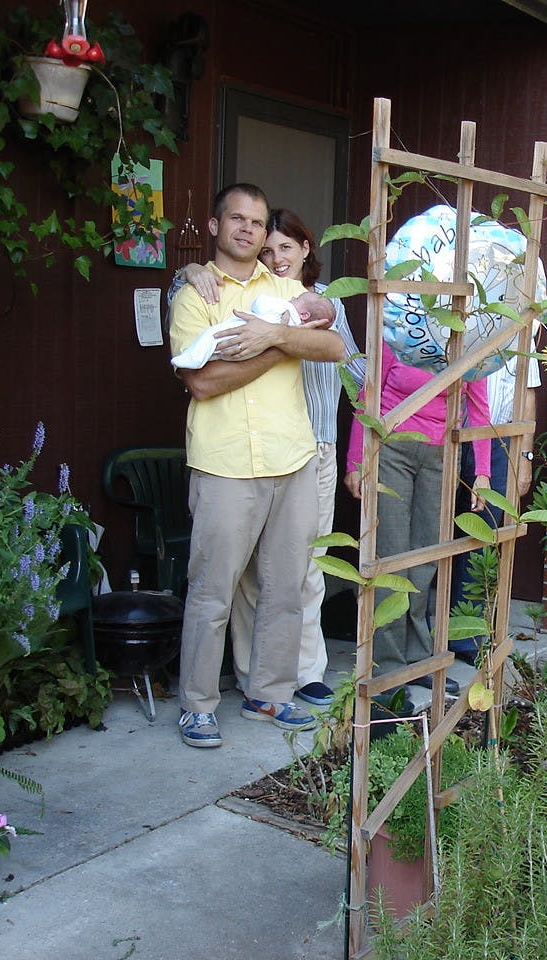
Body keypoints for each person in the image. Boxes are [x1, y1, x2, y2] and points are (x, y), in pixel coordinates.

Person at [168, 182, 345, 749]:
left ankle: (271, 693)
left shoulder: (286, 289)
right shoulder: (195, 295)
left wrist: (275, 332)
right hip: (222, 465)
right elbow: (202, 381)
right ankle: (197, 705)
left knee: (285, 587)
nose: (248, 229)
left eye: (258, 222)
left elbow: (336, 348)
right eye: (237, 219)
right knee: (212, 591)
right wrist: (277, 347)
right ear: (215, 226)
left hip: (290, 458)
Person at [344, 345, 491, 697]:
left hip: (442, 454)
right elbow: (369, 395)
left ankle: (417, 658)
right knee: (392, 557)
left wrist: (482, 472)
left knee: (426, 557)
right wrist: (356, 460)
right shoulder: (397, 333)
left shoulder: (466, 339)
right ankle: (387, 666)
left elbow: (479, 409)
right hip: (391, 447)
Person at [449, 343, 541, 664]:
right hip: (451, 435)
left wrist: (526, 457)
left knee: (483, 535)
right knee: (436, 534)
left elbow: (529, 395)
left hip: (501, 442)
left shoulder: (524, 335)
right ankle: (422, 639)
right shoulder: (472, 320)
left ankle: (466, 636)